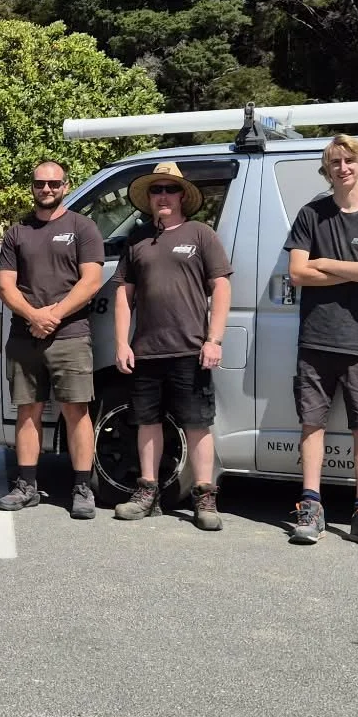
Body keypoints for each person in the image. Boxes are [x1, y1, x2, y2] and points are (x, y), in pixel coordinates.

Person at [285, 133, 358, 551]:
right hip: (316, 335)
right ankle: (311, 505)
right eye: (335, 162)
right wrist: (357, 267)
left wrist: (324, 263)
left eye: (349, 160)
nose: (343, 168)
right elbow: (298, 274)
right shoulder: (311, 213)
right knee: (311, 422)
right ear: (327, 169)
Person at [111, 162, 231, 529]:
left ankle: (204, 498)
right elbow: (122, 294)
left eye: (170, 189)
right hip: (145, 350)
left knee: (198, 424)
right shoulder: (137, 239)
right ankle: (147, 492)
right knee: (147, 423)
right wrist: (121, 342)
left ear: (182, 196)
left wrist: (214, 339)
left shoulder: (201, 235)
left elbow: (222, 287)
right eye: (156, 190)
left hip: (190, 349)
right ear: (148, 198)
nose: (163, 196)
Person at [0, 161, 105, 519]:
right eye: (40, 183)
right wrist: (33, 316)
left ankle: (81, 487)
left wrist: (52, 315)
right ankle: (27, 485)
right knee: (28, 410)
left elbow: (90, 282)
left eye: (54, 183)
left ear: (65, 185)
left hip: (70, 335)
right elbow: (6, 285)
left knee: (77, 410)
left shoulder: (83, 228)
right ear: (32, 186)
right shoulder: (17, 232)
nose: (46, 189)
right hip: (26, 335)